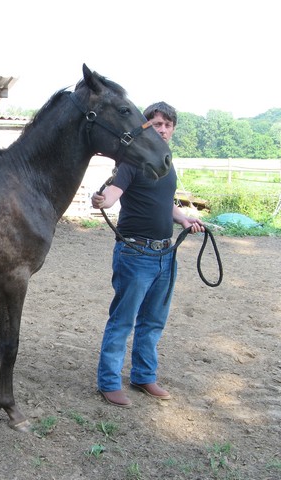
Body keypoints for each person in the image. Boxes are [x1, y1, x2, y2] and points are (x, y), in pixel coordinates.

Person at [90, 101, 205, 407]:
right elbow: (111, 196)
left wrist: (183, 218)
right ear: (146, 127)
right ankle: (109, 382)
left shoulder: (166, 162)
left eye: (167, 125)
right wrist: (100, 200)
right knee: (123, 320)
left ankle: (143, 376)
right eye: (156, 124)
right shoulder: (131, 162)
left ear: (173, 129)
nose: (162, 129)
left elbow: (165, 201)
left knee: (153, 321)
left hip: (166, 254)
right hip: (135, 253)